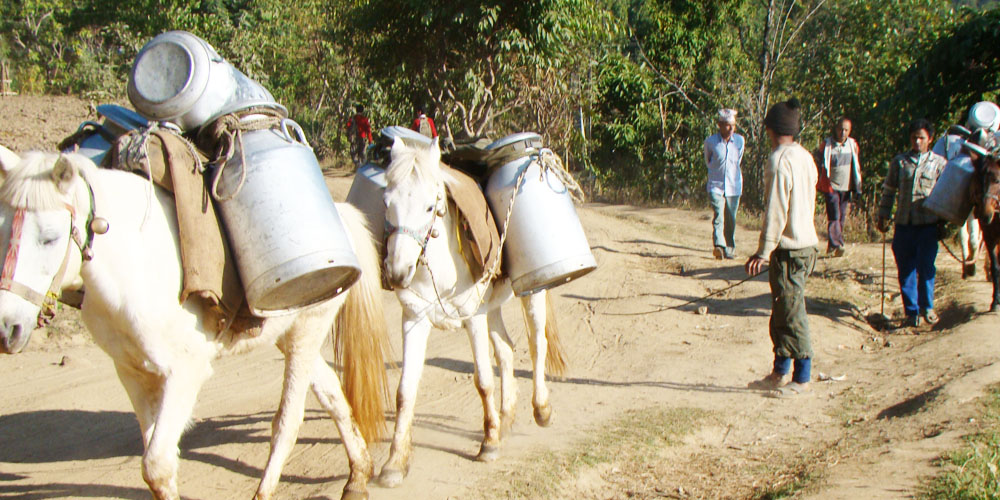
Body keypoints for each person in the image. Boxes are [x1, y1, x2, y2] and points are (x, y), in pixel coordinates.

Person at [745, 98, 818, 397]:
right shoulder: (805, 156)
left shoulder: (779, 160)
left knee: (790, 313)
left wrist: (764, 251)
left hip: (790, 249)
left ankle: (802, 377)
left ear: (771, 130)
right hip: (807, 245)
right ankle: (780, 371)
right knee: (781, 311)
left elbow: (776, 210)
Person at [877, 119, 948, 327]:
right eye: (914, 137)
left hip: (927, 225)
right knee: (905, 268)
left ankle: (927, 307)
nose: (917, 142)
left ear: (930, 139)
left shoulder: (939, 164)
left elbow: (945, 196)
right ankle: (911, 312)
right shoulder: (900, 162)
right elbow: (889, 190)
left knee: (926, 267)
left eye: (922, 138)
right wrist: (883, 215)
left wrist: (944, 223)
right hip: (903, 224)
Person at [932, 101, 1000, 278]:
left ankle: (968, 259)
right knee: (975, 230)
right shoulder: (995, 141)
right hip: (985, 194)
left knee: (966, 227)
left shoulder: (951, 141)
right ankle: (973, 258)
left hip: (965, 197)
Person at [815, 117, 862, 256]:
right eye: (841, 129)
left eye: (846, 130)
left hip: (846, 187)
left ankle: (832, 245)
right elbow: (817, 162)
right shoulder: (827, 145)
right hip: (830, 186)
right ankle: (838, 244)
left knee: (841, 217)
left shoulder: (852, 145)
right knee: (834, 214)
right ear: (835, 129)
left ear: (850, 131)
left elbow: (856, 165)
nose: (843, 132)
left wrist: (858, 185)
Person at [704, 108, 744, 259]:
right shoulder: (710, 142)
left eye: (733, 125)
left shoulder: (739, 141)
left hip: (734, 185)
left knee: (731, 218)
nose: (731, 128)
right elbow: (708, 160)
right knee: (719, 215)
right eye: (728, 125)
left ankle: (730, 247)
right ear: (720, 125)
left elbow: (738, 160)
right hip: (716, 185)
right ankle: (719, 246)